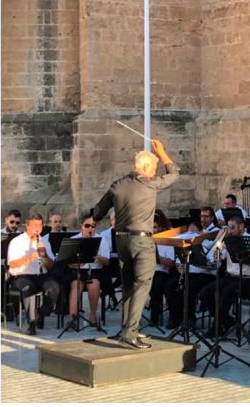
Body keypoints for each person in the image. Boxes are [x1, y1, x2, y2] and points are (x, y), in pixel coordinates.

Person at [92, 139, 179, 350]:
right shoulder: (149, 183)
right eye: (154, 168)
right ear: (147, 168)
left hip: (120, 239)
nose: (155, 171)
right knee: (142, 284)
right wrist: (163, 152)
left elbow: (97, 213)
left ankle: (126, 329)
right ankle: (130, 333)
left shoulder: (117, 185)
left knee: (129, 284)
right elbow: (175, 174)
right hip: (141, 240)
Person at [198, 216, 250, 336]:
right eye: (228, 227)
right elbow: (219, 259)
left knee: (226, 293)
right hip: (231, 277)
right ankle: (226, 320)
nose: (229, 230)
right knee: (205, 294)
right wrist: (219, 245)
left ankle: (217, 326)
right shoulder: (229, 240)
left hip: (248, 278)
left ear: (241, 226)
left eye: (232, 227)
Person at [7, 213, 60, 335]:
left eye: (40, 225)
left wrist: (45, 256)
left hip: (41, 275)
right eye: (35, 225)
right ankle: (31, 324)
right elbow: (13, 264)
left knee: (55, 287)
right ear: (27, 225)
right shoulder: (17, 241)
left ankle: (41, 313)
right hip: (22, 276)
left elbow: (51, 266)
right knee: (28, 288)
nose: (38, 228)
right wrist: (30, 257)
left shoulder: (44, 242)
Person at [64, 214, 110, 330]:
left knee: (94, 285)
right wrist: (79, 262)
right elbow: (68, 262)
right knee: (76, 285)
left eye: (93, 226)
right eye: (87, 226)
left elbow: (106, 261)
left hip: (94, 270)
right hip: (78, 270)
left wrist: (97, 256)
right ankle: (73, 318)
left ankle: (92, 314)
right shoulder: (74, 239)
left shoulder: (101, 239)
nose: (90, 229)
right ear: (81, 226)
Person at [149, 213, 177, 326]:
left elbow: (171, 263)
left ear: (160, 227)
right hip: (146, 270)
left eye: (155, 227)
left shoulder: (166, 240)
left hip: (161, 271)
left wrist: (156, 257)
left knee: (156, 284)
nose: (152, 230)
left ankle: (155, 316)